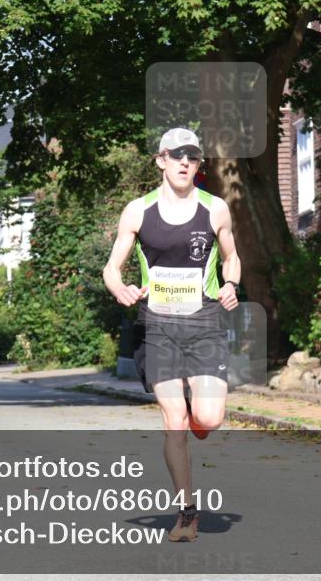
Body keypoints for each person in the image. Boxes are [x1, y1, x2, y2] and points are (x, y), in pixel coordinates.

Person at [103, 127, 240, 543]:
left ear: (199, 164)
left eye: (193, 156)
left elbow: (232, 257)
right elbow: (112, 268)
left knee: (209, 417)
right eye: (177, 155)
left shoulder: (214, 208)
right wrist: (120, 288)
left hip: (204, 324)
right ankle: (186, 515)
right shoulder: (138, 211)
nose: (185, 162)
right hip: (157, 326)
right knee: (174, 422)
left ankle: (200, 412)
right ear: (161, 160)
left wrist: (231, 285)